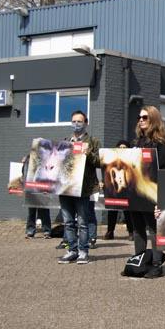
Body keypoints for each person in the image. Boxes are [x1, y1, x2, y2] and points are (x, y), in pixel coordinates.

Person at [129, 106, 165, 278]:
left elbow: (162, 166)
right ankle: (139, 261)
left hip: (152, 190)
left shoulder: (160, 142)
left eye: (145, 117)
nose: (140, 120)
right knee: (138, 228)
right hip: (135, 190)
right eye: (139, 117)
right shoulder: (136, 142)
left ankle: (156, 263)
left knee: (153, 228)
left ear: (153, 119)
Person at [58, 110, 100, 265]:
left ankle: (83, 251)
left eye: (79, 121)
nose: (76, 124)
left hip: (82, 188)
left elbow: (99, 162)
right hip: (65, 187)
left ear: (86, 123)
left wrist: (87, 152)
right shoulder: (65, 141)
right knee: (68, 222)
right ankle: (72, 250)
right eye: (74, 121)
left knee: (82, 221)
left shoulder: (93, 141)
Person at [103, 140, 135, 241]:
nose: (122, 150)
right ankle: (110, 231)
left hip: (127, 188)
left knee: (128, 211)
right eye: (120, 148)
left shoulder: (132, 160)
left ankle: (131, 232)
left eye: (124, 148)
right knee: (112, 210)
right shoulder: (112, 159)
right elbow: (106, 172)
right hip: (114, 188)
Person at [21, 156, 52, 239]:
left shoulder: (46, 160)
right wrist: (24, 163)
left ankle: (47, 231)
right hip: (31, 188)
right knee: (32, 211)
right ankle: (30, 231)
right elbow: (24, 173)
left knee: (44, 210)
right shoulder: (28, 158)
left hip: (42, 188)